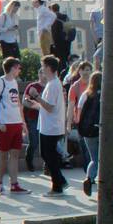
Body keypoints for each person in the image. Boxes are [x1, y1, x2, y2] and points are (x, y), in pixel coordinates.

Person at [24, 55, 67, 195]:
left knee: (49, 155)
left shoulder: (53, 84)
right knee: (48, 154)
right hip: (49, 125)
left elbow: (50, 107)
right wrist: (35, 104)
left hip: (51, 127)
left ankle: (58, 185)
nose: (42, 69)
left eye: (43, 67)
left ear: (48, 68)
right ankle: (60, 181)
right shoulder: (52, 83)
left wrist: (36, 96)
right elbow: (46, 106)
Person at [0, 57, 29, 194]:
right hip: (4, 123)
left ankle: (14, 183)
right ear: (13, 68)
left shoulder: (14, 82)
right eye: (18, 68)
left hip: (16, 123)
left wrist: (23, 122)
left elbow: (18, 103)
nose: (19, 70)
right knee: (2, 154)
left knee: (15, 154)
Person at [77, 71, 102, 196]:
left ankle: (89, 178)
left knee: (93, 158)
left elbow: (80, 113)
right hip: (102, 130)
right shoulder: (106, 95)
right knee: (104, 158)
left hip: (88, 131)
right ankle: (104, 180)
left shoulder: (86, 95)